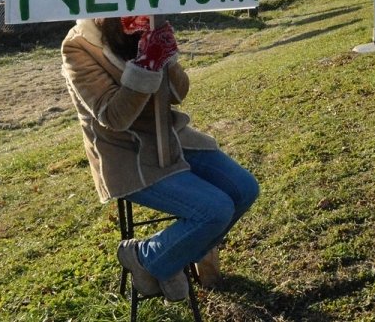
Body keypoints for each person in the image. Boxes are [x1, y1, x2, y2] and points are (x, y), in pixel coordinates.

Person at [61, 16, 259, 301]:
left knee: (244, 189)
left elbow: (177, 94)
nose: (135, 13)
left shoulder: (148, 25)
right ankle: (159, 257)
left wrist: (167, 57)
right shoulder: (79, 46)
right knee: (215, 210)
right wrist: (145, 66)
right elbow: (114, 117)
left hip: (170, 136)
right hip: (126, 153)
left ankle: (154, 259)